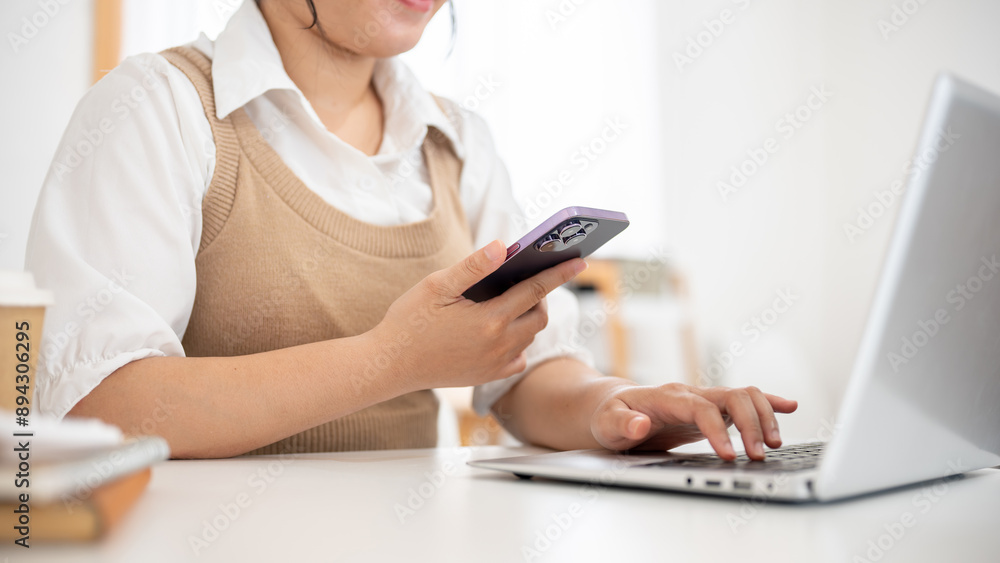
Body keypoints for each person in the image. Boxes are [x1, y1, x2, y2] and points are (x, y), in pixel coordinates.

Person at [26, 0, 796, 459]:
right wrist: (389, 359)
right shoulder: (156, 109)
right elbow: (105, 407)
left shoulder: (459, 142)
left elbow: (528, 375)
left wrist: (615, 408)